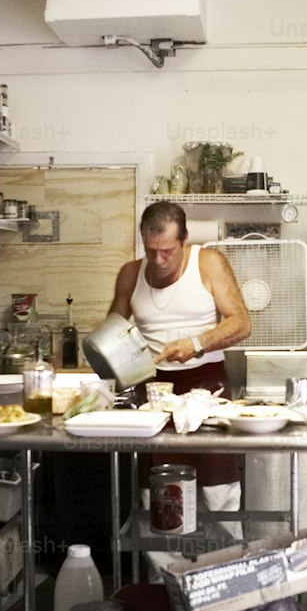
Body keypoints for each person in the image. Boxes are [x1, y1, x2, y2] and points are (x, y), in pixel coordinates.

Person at [108, 200, 252, 557]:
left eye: (167, 251)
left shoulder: (208, 262)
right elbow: (113, 333)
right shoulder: (130, 273)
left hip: (207, 384)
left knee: (219, 489)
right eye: (151, 250)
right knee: (157, 492)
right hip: (152, 387)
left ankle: (225, 579)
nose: (158, 261)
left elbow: (241, 323)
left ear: (184, 240)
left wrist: (197, 343)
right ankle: (167, 587)